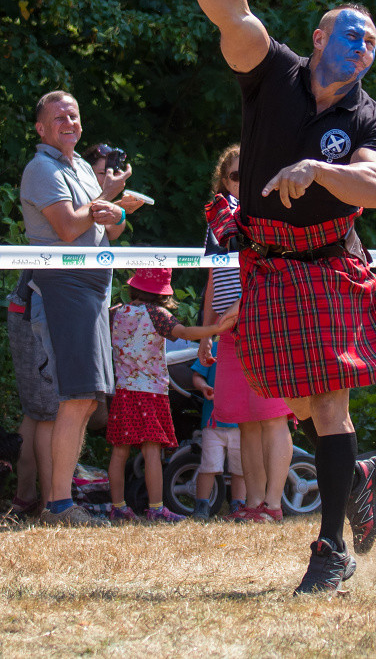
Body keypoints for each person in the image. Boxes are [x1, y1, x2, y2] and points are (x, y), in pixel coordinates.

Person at [147, 0, 376, 594]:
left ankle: (330, 550)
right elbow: (234, 16)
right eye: (352, 35)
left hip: (327, 265)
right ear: (320, 39)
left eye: (372, 43)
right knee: (292, 396)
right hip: (265, 264)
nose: (363, 47)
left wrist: (321, 170)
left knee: (326, 401)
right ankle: (358, 473)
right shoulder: (273, 74)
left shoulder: (369, 119)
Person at [20, 90, 132, 526]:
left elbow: (109, 229)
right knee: (76, 397)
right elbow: (68, 227)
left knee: (87, 402)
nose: (69, 122)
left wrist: (117, 210)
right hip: (63, 287)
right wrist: (105, 199)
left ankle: (62, 502)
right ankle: (60, 505)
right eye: (59, 117)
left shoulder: (83, 166)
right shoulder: (40, 168)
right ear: (41, 128)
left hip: (94, 289)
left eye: (74, 115)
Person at [197, 145, 293, 524]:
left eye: (247, 174)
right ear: (223, 180)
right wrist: (206, 333)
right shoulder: (217, 218)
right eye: (235, 176)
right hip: (228, 333)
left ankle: (273, 504)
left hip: (265, 325)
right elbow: (213, 279)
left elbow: (275, 269)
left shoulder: (267, 212)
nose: (241, 182)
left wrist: (241, 306)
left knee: (273, 418)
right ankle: (252, 504)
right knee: (245, 422)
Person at [107, 267, 236, 523]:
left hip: (123, 391)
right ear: (162, 293)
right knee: (152, 452)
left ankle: (117, 507)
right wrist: (214, 329)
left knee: (119, 451)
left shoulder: (116, 312)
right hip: (150, 393)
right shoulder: (157, 314)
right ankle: (156, 509)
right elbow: (185, 333)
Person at [6, 271, 58, 517]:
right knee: (48, 414)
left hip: (25, 308)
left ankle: (26, 497)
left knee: (34, 412)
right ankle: (52, 505)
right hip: (40, 313)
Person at [190, 352, 246, 521]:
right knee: (209, 466)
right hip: (213, 422)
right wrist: (204, 387)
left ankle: (238, 504)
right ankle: (201, 505)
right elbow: (197, 375)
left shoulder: (247, 349)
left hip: (241, 424)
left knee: (240, 469)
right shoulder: (213, 349)